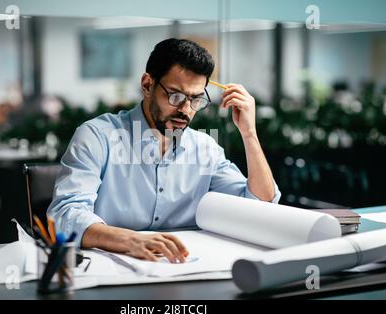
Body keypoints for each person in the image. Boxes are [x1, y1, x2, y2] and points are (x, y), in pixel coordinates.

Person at [47, 38, 281, 263]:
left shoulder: (205, 148)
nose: (186, 110)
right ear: (147, 85)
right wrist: (131, 240)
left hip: (186, 270)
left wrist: (249, 134)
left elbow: (258, 208)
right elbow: (65, 214)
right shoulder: (98, 136)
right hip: (111, 271)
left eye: (196, 99)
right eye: (176, 96)